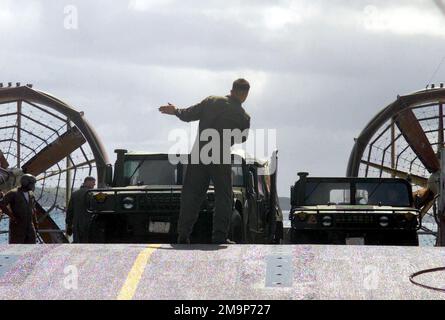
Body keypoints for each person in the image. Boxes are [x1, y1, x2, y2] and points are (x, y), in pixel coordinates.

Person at [159, 79, 251, 244]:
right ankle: (219, 237)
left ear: (232, 89)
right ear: (244, 93)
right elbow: (241, 138)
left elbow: (189, 114)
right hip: (220, 156)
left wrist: (175, 111)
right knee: (224, 196)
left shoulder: (211, 101)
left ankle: (183, 235)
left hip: (199, 153)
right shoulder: (243, 116)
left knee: (191, 195)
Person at [0, 174, 38, 244]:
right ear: (25, 183)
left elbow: (33, 209)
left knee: (31, 248)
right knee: (17, 248)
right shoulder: (13, 193)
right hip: (17, 227)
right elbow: (2, 204)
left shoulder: (31, 195)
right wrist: (12, 217)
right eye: (31, 184)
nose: (33, 186)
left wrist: (35, 224)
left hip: (30, 227)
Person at [66, 176, 96, 243]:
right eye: (93, 182)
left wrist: (69, 225)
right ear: (87, 182)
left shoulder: (75, 194)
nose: (94, 184)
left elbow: (70, 211)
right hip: (89, 224)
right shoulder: (92, 194)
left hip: (76, 224)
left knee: (77, 243)